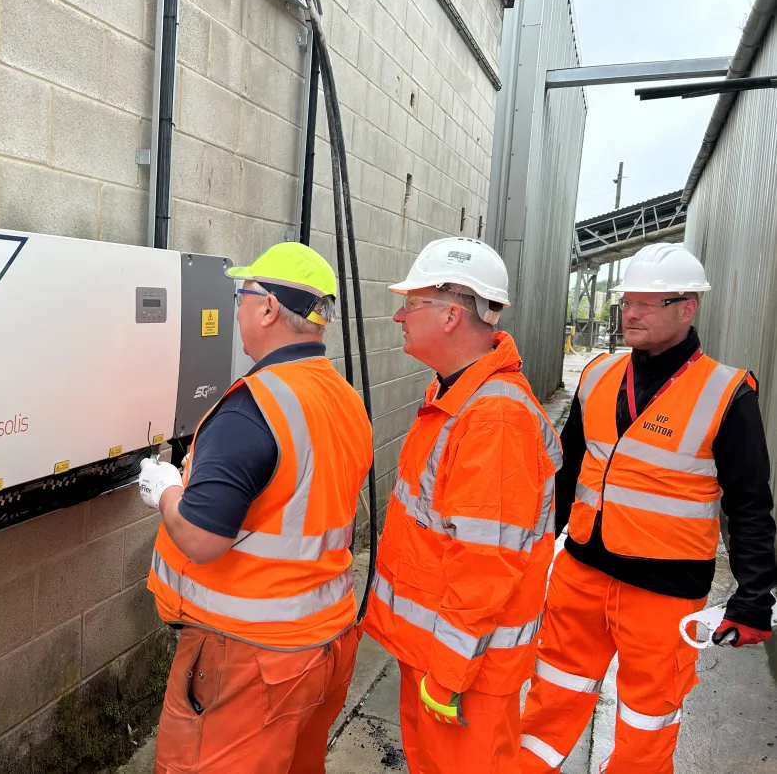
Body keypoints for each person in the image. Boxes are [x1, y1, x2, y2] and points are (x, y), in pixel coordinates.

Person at [519, 243, 777, 774]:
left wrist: (755, 597)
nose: (629, 313)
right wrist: (536, 545)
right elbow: (567, 474)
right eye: (626, 302)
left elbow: (750, 505)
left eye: (647, 303)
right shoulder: (598, 376)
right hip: (581, 573)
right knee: (551, 695)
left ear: (688, 308)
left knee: (646, 718)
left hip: (664, 594)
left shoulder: (727, 394)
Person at [139, 241, 374, 774]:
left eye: (242, 295)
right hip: (325, 646)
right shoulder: (342, 397)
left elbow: (201, 538)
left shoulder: (252, 408)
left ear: (268, 308)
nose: (236, 308)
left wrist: (165, 491)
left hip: (248, 662)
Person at [362, 236, 563, 773]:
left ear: (451, 315)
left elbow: (485, 562)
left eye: (413, 303)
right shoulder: (458, 398)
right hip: (438, 659)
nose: (399, 314)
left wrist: (448, 674)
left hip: (463, 673)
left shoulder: (494, 418)